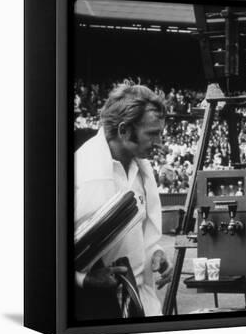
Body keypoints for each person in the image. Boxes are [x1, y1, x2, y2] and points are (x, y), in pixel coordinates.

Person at [74, 84, 173, 320]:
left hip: (141, 302)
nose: (159, 142)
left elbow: (142, 234)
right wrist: (83, 279)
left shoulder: (142, 167)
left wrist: (156, 253)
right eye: (152, 133)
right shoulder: (81, 170)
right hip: (97, 309)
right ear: (124, 130)